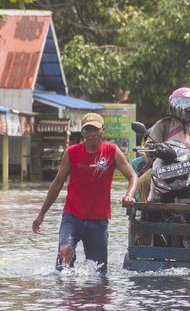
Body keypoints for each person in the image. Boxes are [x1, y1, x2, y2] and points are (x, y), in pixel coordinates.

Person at [31, 113, 138, 274]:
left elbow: (133, 176)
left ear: (103, 130)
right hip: (72, 216)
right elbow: (57, 183)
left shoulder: (112, 151)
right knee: (65, 253)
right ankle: (66, 293)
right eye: (88, 129)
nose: (92, 133)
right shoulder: (71, 152)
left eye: (95, 129)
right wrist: (41, 214)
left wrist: (129, 194)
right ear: (83, 133)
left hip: (98, 220)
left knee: (98, 271)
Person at [137, 87, 190, 201]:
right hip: (162, 169)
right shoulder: (162, 125)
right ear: (171, 105)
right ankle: (144, 211)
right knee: (143, 181)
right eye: (180, 104)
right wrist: (160, 153)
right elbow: (150, 146)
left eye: (188, 105)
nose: (184, 109)